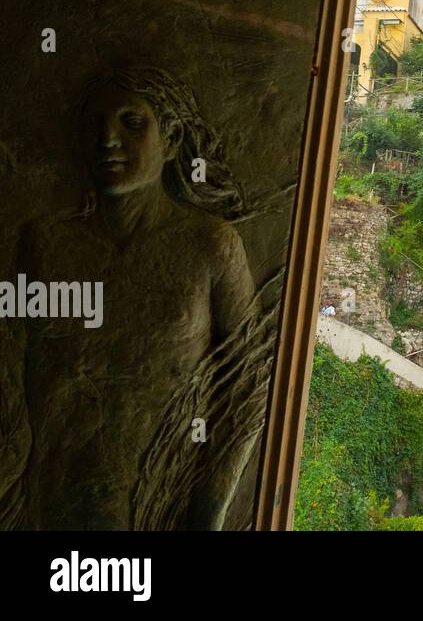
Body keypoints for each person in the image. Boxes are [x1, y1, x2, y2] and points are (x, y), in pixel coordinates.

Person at [0, 67, 264, 531]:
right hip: (52, 505)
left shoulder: (210, 246)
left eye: (132, 122)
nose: (108, 138)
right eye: (94, 124)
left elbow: (246, 394)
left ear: (173, 139)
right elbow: (10, 377)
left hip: (160, 508)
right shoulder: (42, 245)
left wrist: (207, 515)